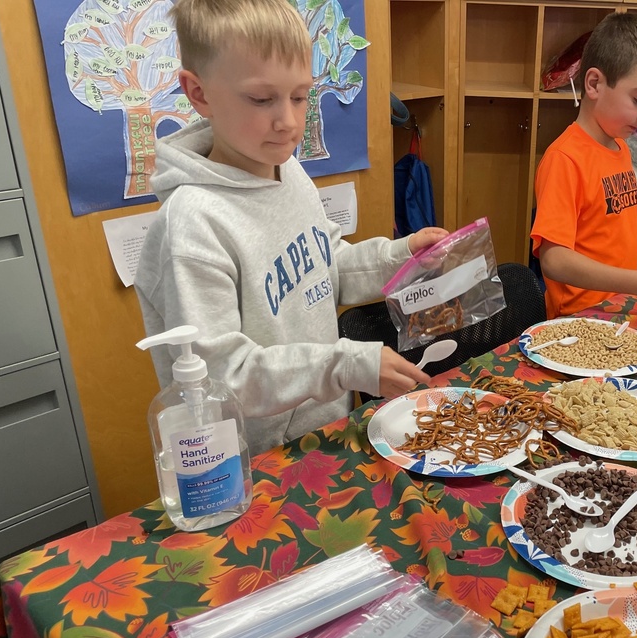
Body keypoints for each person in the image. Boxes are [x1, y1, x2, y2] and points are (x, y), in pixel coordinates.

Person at [135, 0, 448, 456]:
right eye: (262, 99)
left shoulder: (286, 168)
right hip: (257, 463)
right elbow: (224, 379)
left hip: (324, 429)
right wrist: (345, 365)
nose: (288, 122)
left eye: (300, 97)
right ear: (199, 93)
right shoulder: (192, 226)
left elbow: (327, 266)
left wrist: (402, 256)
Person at [530, 12, 637, 319]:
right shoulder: (565, 159)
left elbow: (601, 221)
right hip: (580, 319)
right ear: (594, 83)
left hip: (619, 308)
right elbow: (555, 260)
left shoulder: (620, 146)